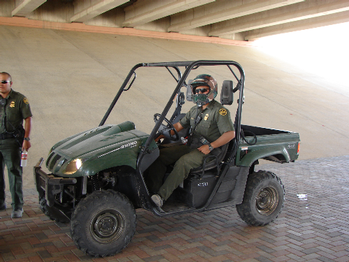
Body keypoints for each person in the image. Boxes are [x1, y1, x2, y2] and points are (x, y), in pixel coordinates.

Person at [146, 74, 235, 207]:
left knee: (184, 162)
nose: (199, 93)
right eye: (197, 90)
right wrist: (161, 134)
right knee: (159, 155)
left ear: (212, 90)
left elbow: (230, 134)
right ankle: (153, 190)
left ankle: (161, 197)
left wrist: (210, 146)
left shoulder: (219, 111)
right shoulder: (194, 110)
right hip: (191, 147)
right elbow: (179, 126)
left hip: (208, 152)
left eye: (203, 90)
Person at [0, 72, 32, 218]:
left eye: (4, 82)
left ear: (10, 83)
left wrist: (26, 138)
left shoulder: (20, 99)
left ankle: (17, 206)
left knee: (14, 173)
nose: (1, 84)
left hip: (11, 142)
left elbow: (27, 119)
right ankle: (1, 202)